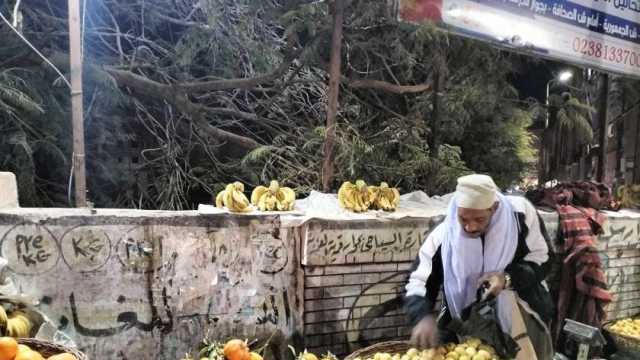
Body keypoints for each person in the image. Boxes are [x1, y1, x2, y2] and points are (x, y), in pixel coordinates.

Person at [404, 174, 555, 359]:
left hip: (521, 316)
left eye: (479, 219)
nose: (470, 227)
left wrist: (507, 278)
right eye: (463, 219)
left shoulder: (520, 215)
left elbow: (544, 258)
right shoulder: (444, 234)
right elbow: (418, 281)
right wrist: (422, 316)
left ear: (494, 207)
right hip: (466, 321)